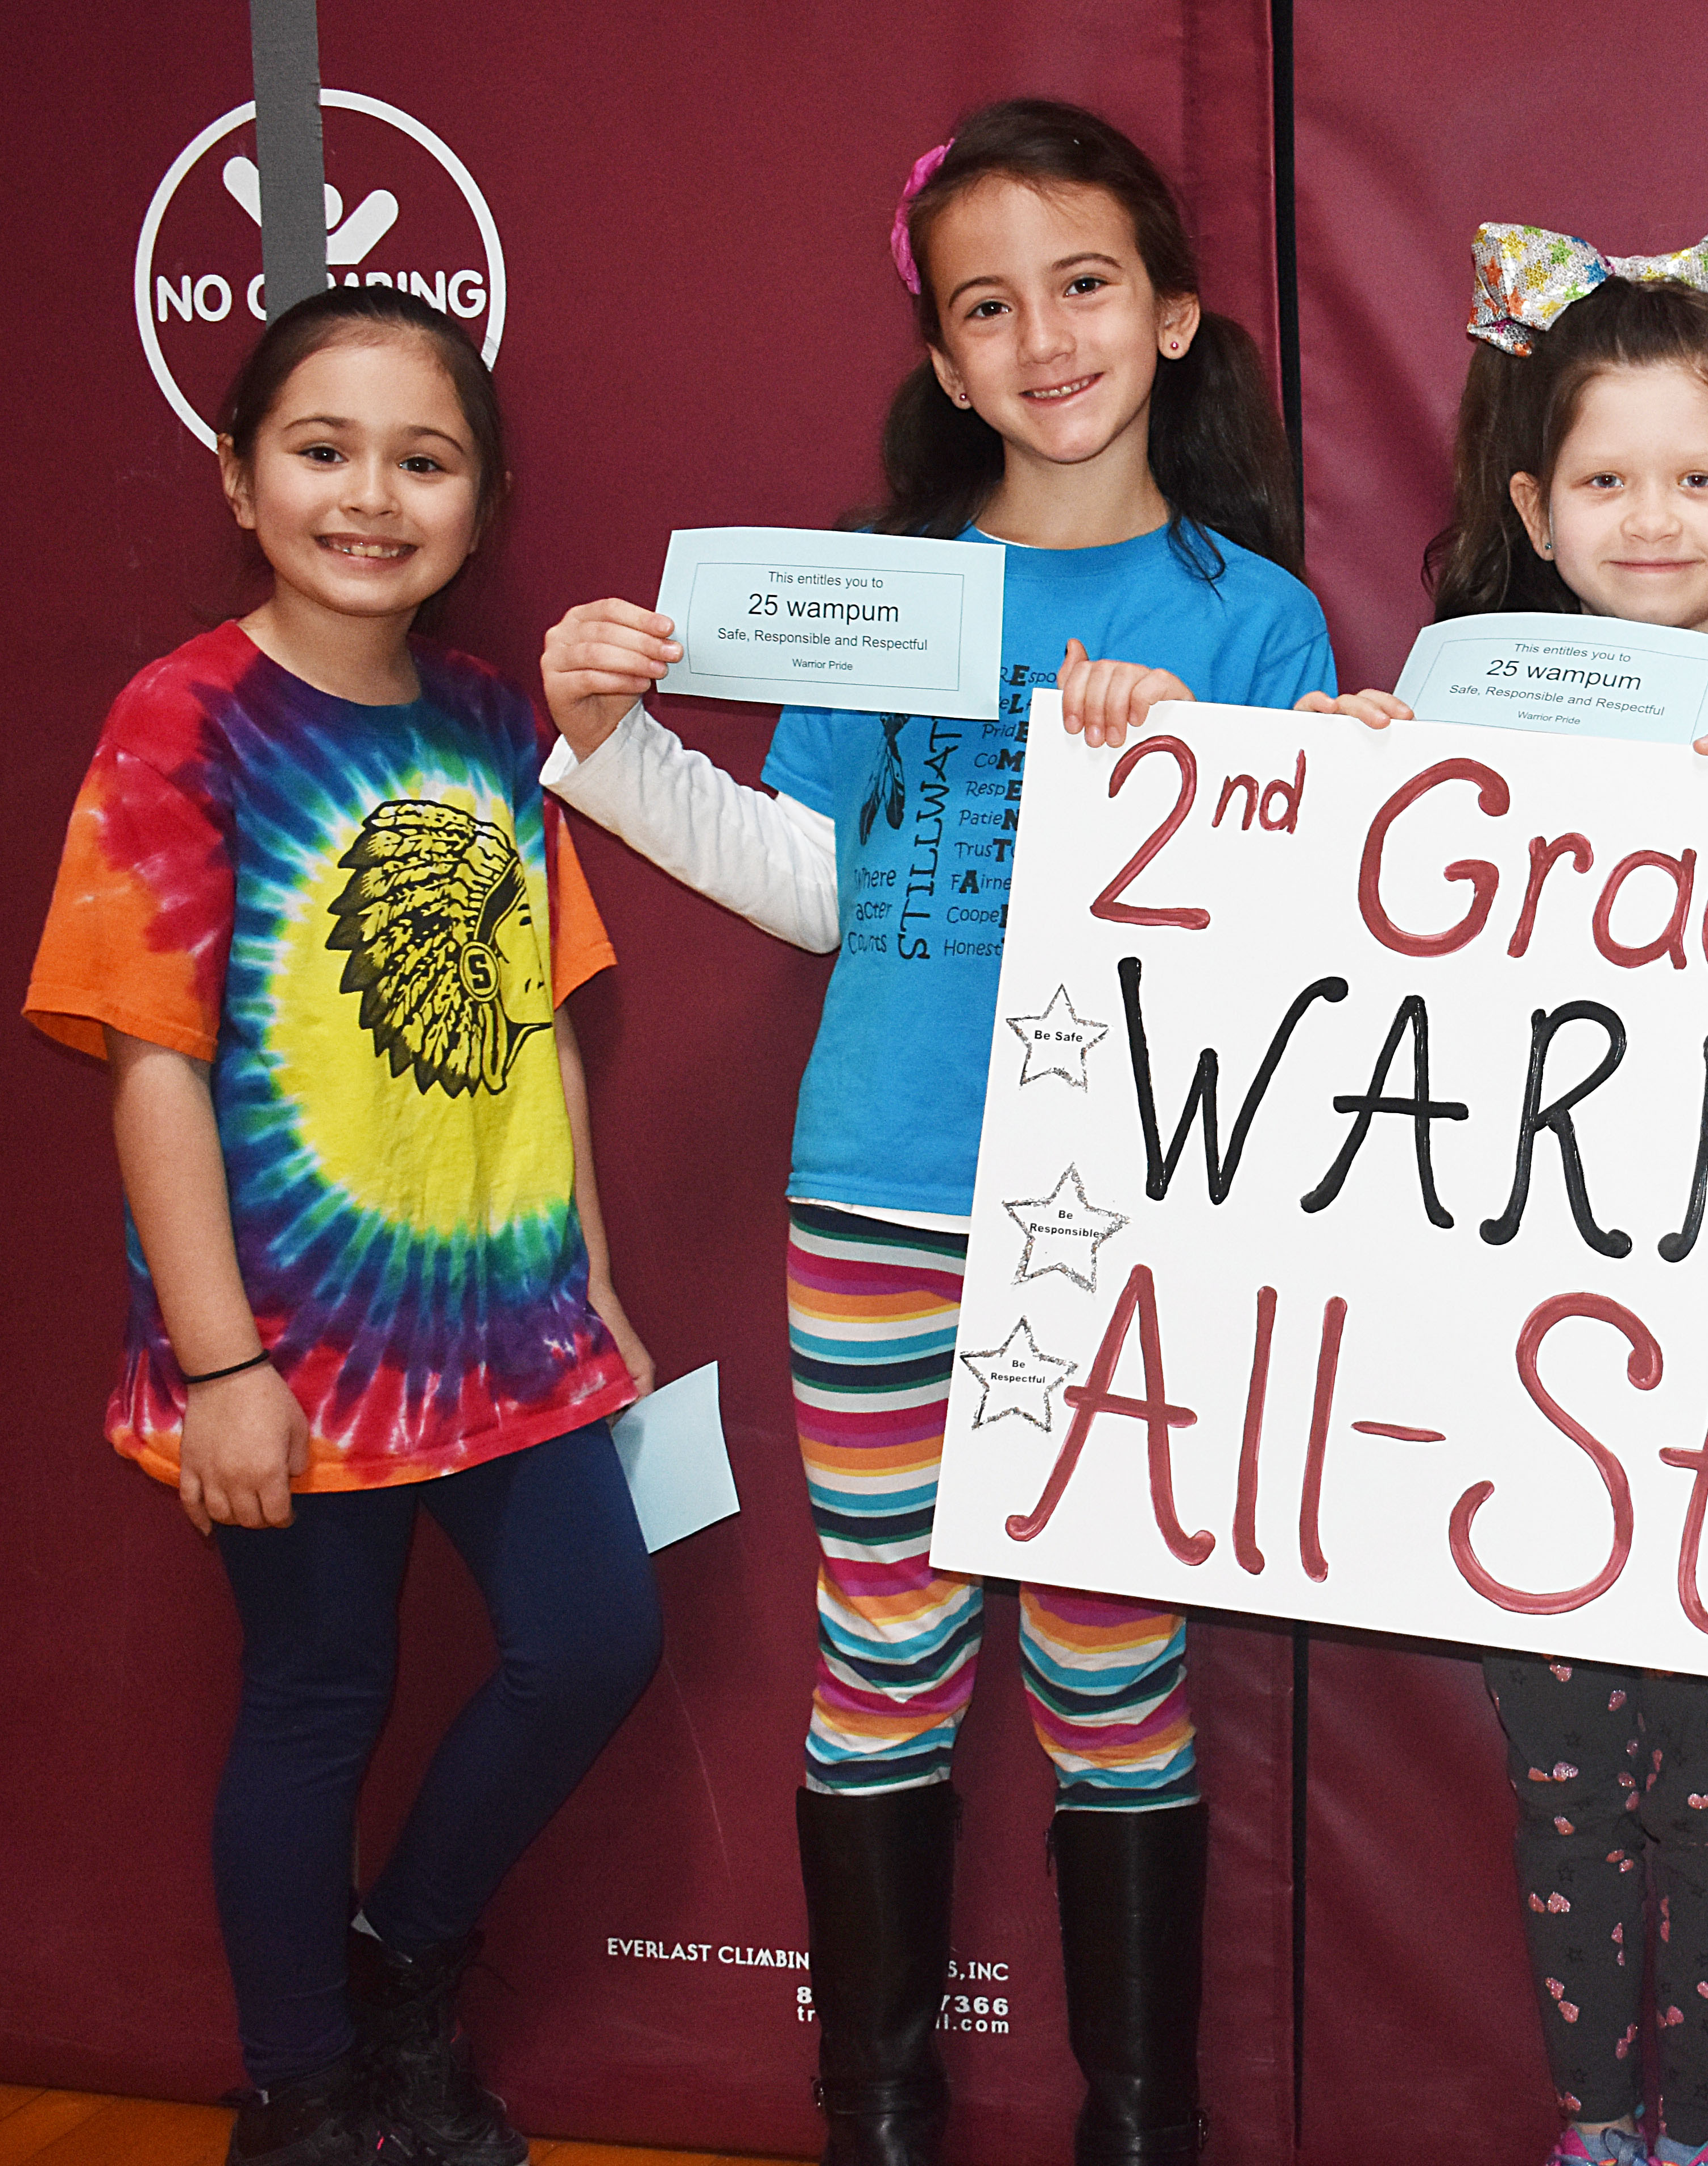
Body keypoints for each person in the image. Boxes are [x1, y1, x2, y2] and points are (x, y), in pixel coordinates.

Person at [535, 97, 1333, 2166]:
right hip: (880, 1194)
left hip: (1126, 1222)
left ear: (1170, 316)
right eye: (989, 307)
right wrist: (608, 755)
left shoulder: (1253, 618)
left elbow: (1291, 940)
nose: (1044, 338)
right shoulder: (874, 599)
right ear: (944, 361)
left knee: (1115, 1670)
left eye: (1084, 286)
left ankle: (1137, 2121)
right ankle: (874, 2116)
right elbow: (820, 885)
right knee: (880, 1647)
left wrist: (1207, 780)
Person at [24, 284, 664, 2166]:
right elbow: (149, 1057)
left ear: (483, 499)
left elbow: (539, 1016)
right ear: (241, 479)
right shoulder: (182, 718)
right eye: (323, 449)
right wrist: (218, 1361)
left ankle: (401, 1969)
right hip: (284, 1346)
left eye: (424, 457)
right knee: (320, 1695)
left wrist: (597, 1279)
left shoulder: (489, 722)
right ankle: (299, 2092)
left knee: (593, 1643)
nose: (370, 494)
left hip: (510, 1318)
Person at [1304, 224, 1708, 2166]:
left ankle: (1698, 2132)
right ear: (1530, 505)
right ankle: (1594, 2126)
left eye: (1697, 479)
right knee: (1558, 1790)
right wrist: (1306, 799)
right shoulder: (1428, 743)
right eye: (1605, 480)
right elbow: (1321, 997)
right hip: (1511, 1379)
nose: (1651, 519)